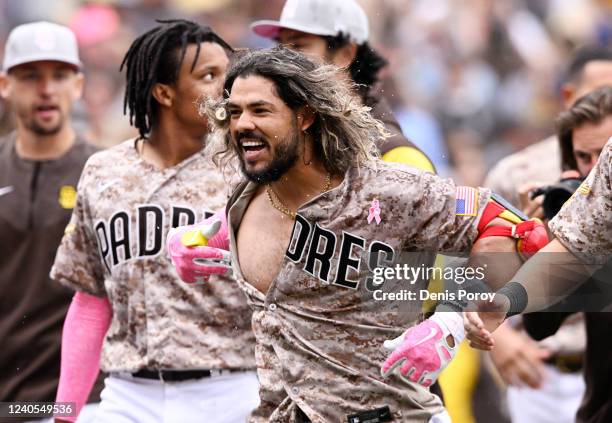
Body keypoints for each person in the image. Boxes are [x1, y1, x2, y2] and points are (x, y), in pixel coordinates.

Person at [168, 46, 548, 422]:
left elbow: (514, 227)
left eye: (260, 110)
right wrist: (199, 238)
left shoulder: (385, 190)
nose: (242, 124)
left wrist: (449, 321)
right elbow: (251, 226)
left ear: (305, 117)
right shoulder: (246, 187)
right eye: (233, 112)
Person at [50, 20, 259, 422]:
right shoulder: (103, 171)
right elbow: (92, 298)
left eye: (228, 75)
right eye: (208, 76)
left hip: (227, 387)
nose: (225, 89)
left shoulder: (248, 169)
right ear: (164, 92)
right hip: (128, 393)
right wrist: (65, 411)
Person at [482, 46, 612, 423]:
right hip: (551, 375)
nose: (593, 167)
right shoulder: (520, 173)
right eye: (584, 158)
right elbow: (470, 269)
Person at [0, 21, 102, 417]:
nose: (47, 89)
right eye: (30, 76)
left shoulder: (107, 173)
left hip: (83, 404)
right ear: (6, 84)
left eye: (59, 76)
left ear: (77, 85)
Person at [250, 0, 435, 173]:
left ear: (345, 54)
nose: (281, 60)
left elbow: (454, 206)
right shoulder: (284, 146)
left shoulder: (397, 159)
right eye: (280, 47)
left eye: (298, 46)